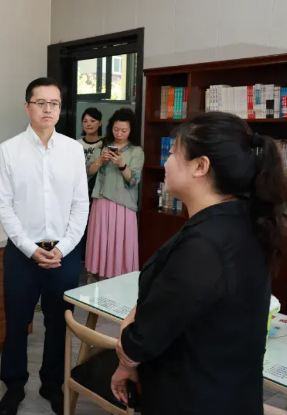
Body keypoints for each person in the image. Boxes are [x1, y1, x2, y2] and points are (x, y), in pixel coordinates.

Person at [109, 112, 287, 414]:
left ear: (201, 166)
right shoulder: (244, 222)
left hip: (193, 396)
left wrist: (127, 347)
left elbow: (141, 339)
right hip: (229, 391)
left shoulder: (205, 246)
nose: (166, 162)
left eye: (173, 153)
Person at [0, 77, 89, 415]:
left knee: (60, 322)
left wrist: (64, 247)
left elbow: (81, 204)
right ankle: (14, 386)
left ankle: (53, 384)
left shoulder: (73, 149)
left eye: (54, 103)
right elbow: (4, 206)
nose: (48, 109)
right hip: (23, 253)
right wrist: (29, 248)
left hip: (64, 253)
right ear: (27, 107)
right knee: (16, 322)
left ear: (60, 109)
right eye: (40, 102)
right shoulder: (9, 150)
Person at [85, 108, 143, 280]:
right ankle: (97, 275)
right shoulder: (103, 146)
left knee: (120, 242)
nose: (119, 134)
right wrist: (100, 160)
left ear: (131, 130)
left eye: (124, 130)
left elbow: (134, 180)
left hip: (124, 204)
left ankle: (120, 278)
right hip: (101, 202)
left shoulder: (136, 151)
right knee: (100, 240)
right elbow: (89, 172)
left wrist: (122, 165)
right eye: (116, 129)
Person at [75, 107, 103, 261]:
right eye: (85, 121)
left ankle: (92, 258)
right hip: (79, 190)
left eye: (92, 121)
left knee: (95, 226)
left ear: (100, 123)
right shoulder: (76, 144)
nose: (88, 124)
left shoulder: (104, 144)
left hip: (97, 191)